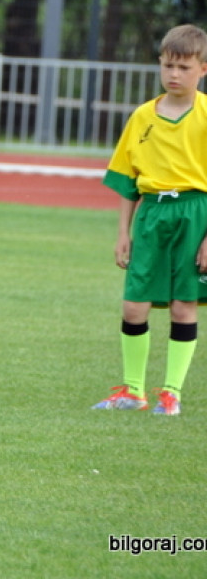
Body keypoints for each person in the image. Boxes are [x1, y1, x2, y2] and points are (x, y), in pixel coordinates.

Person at [92, 24, 207, 416]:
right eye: (168, 65)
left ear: (202, 69)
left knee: (182, 305)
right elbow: (128, 182)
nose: (175, 74)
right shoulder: (143, 117)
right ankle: (133, 390)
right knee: (133, 306)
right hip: (151, 214)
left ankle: (171, 392)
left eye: (184, 67)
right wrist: (123, 232)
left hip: (195, 214)